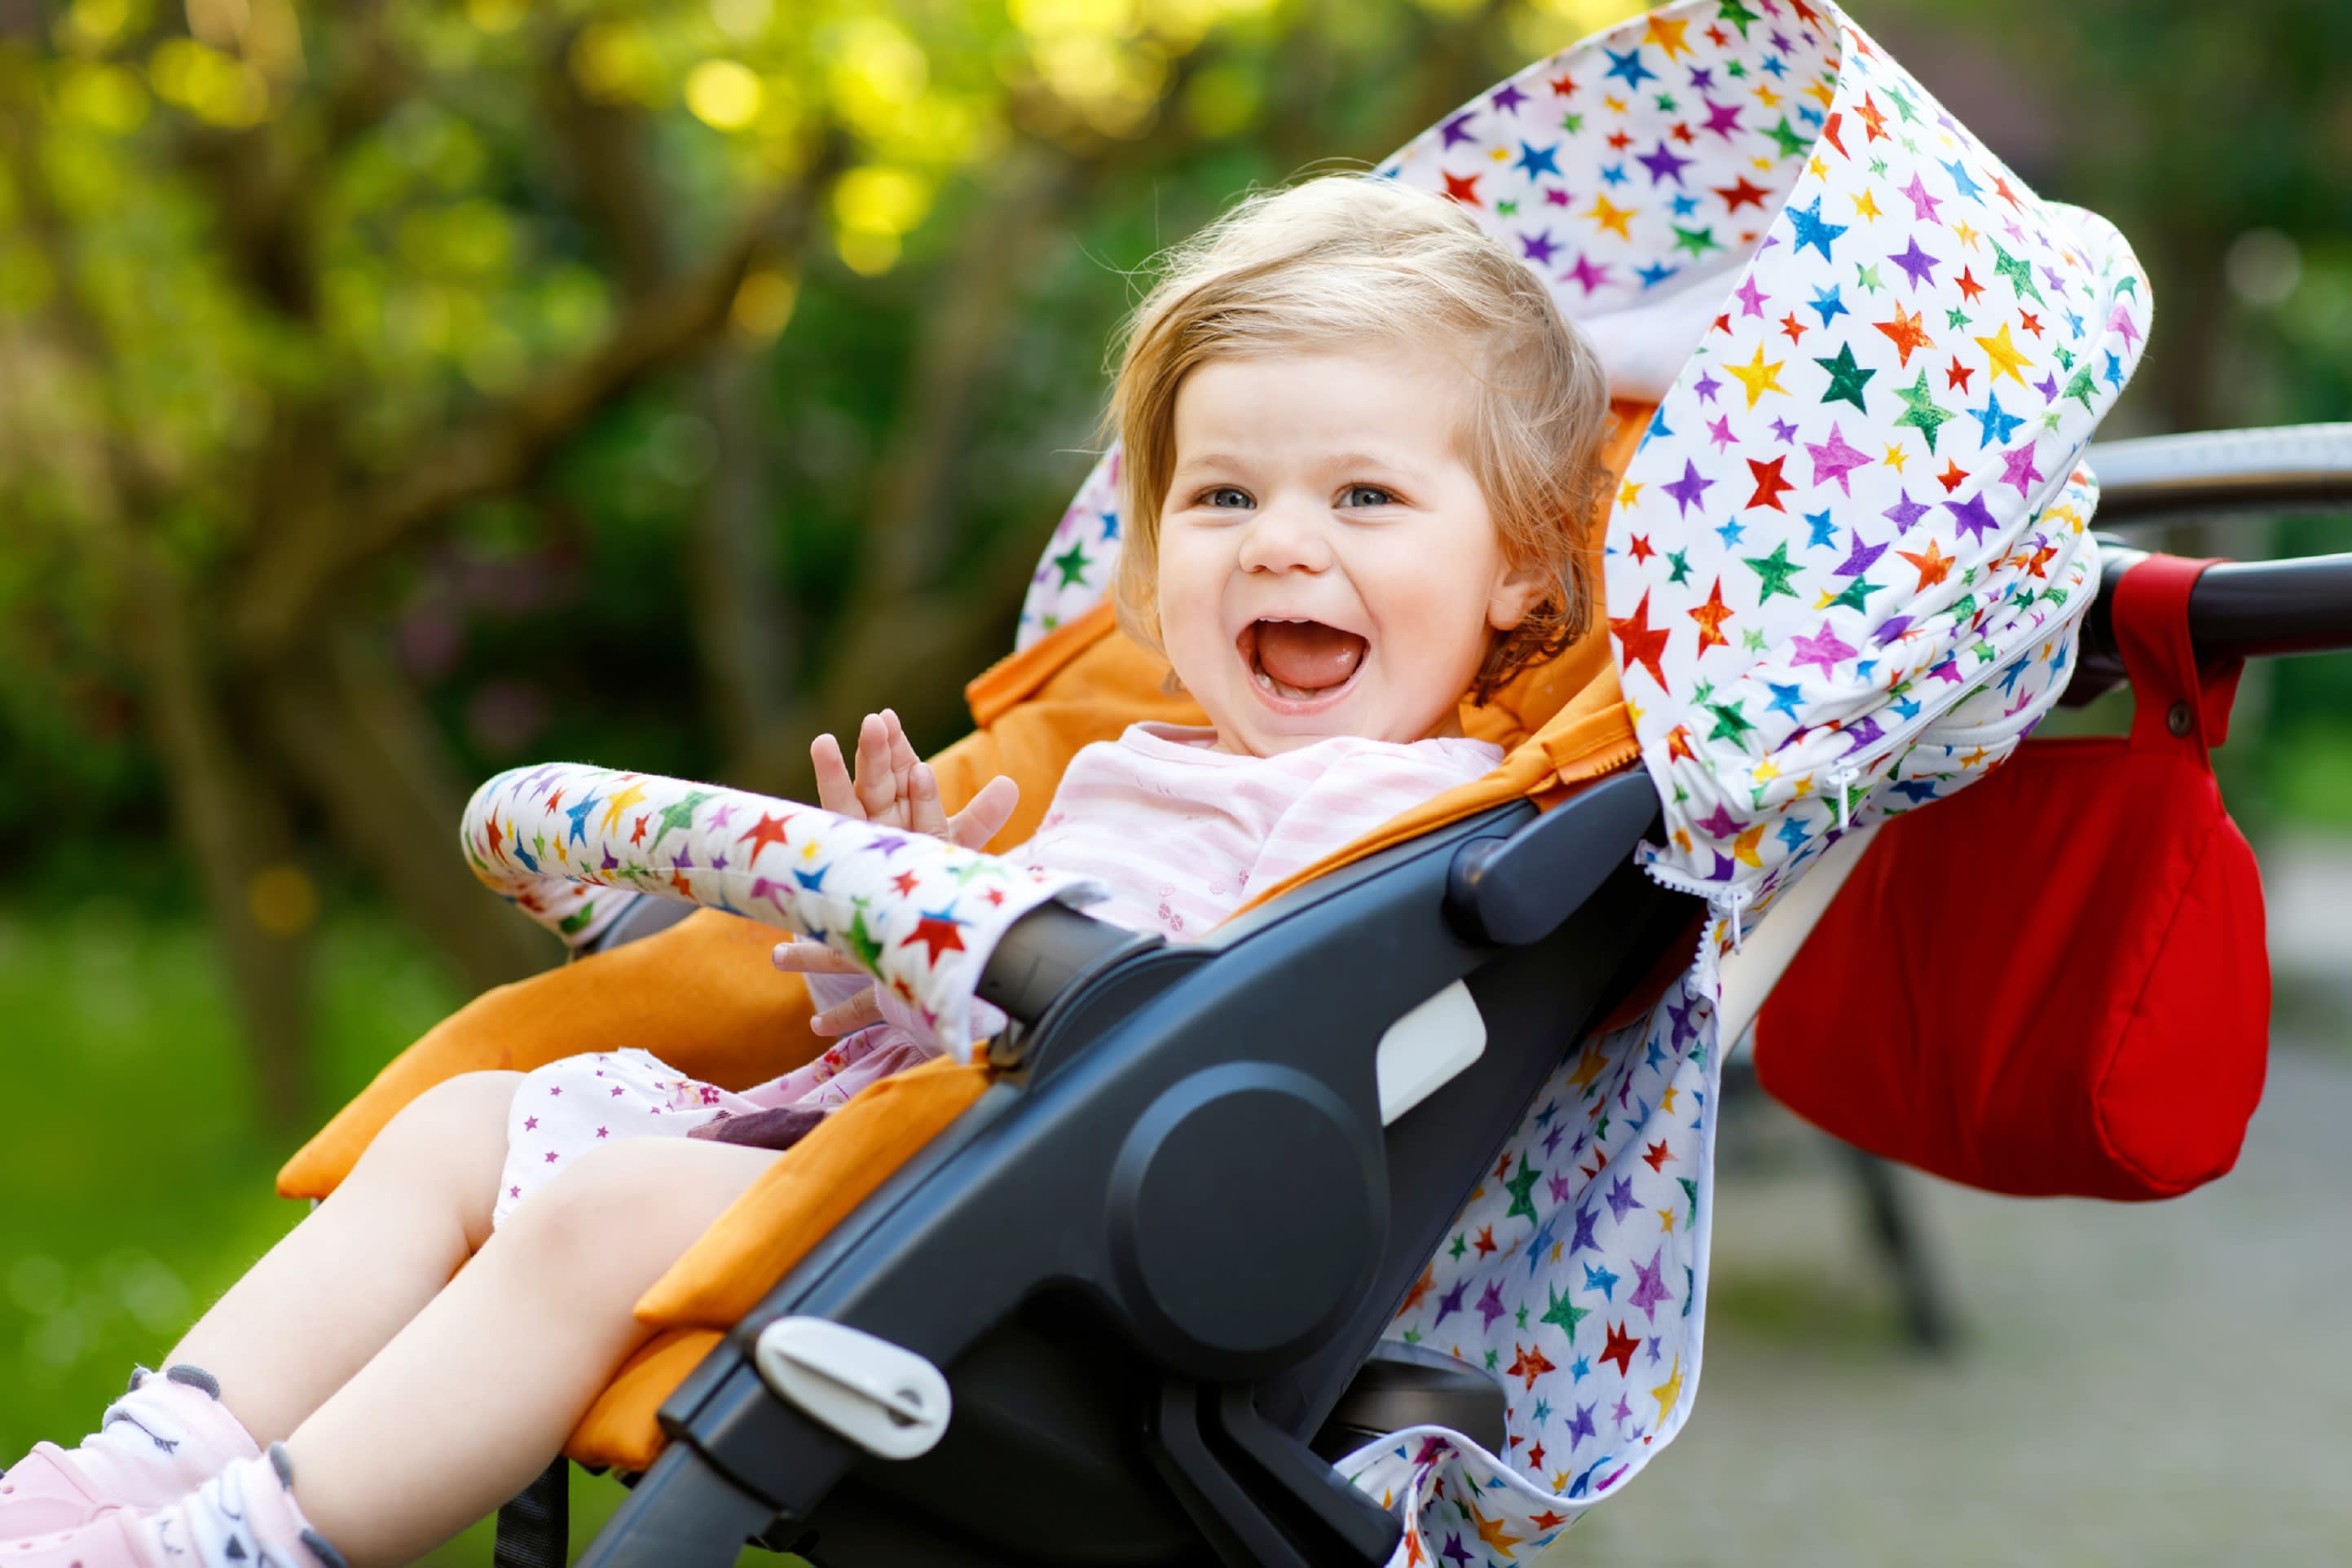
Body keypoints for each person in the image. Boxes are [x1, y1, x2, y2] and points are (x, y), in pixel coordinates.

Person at [0, 171, 1610, 1568]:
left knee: (611, 1200)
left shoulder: (1411, 815)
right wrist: (897, 916)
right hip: (896, 1158)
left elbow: (1207, 1036)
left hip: (1053, 1262)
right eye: (1224, 494)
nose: (1278, 539)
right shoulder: (1147, 765)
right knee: (465, 1123)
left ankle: (251, 1537)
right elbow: (959, 1025)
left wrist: (997, 946)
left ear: (1523, 565)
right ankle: (133, 1466)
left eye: (1366, 497)